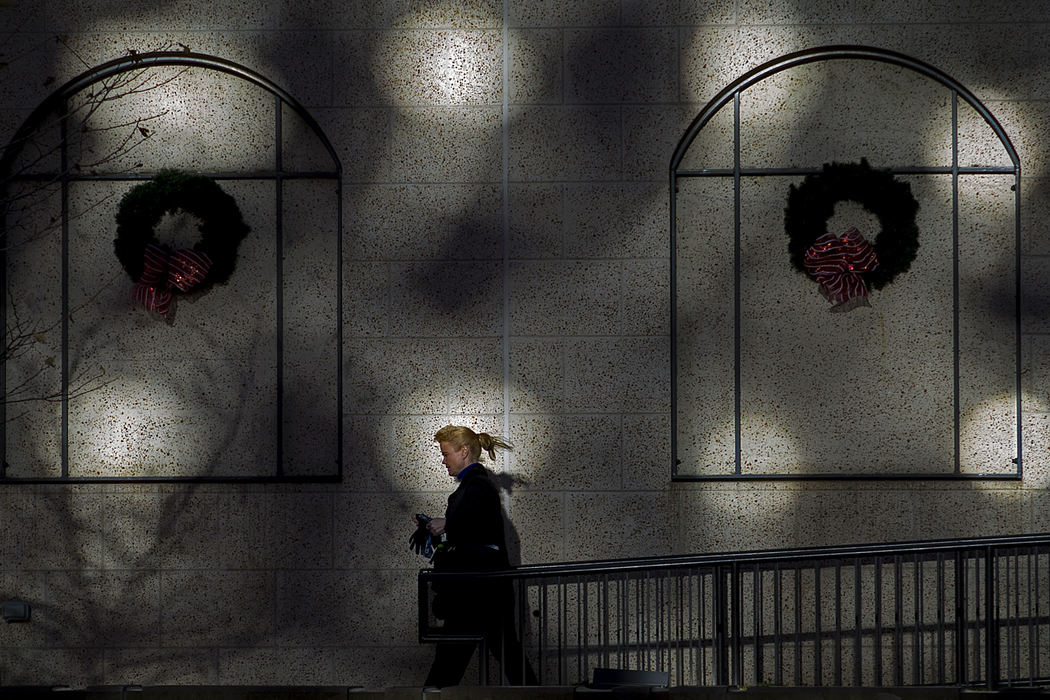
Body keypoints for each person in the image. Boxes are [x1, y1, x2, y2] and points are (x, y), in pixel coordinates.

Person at [416, 424, 537, 688]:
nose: (443, 460)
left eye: (446, 453)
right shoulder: (476, 485)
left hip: (475, 594)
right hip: (483, 593)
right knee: (510, 661)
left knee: (447, 668)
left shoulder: (477, 485)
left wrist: (447, 524)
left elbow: (477, 527)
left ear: (464, 451)